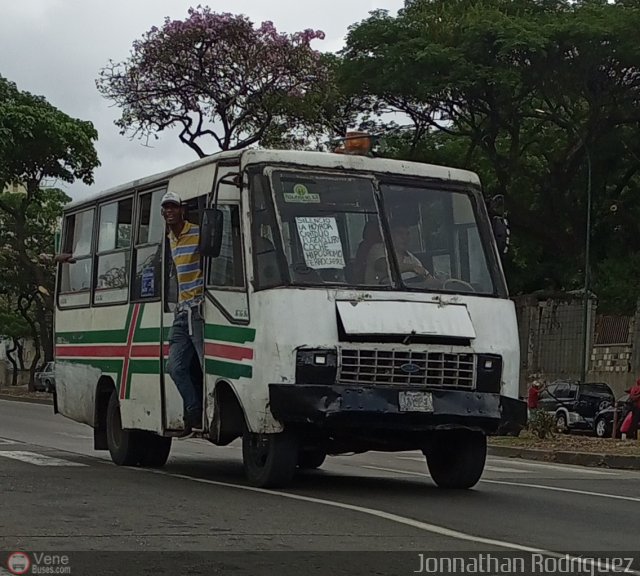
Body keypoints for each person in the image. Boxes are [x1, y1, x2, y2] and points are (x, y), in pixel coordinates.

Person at [161, 191, 205, 438]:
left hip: (198, 308)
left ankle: (204, 414)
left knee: (203, 363)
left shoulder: (197, 233)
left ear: (182, 210)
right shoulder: (170, 238)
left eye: (173, 207)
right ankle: (193, 411)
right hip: (181, 311)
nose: (169, 211)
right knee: (175, 367)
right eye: (166, 208)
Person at [364, 223, 430, 284]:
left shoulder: (413, 259)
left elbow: (426, 276)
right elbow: (387, 268)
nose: (405, 237)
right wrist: (412, 267)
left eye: (407, 234)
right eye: (399, 233)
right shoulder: (378, 249)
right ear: (390, 235)